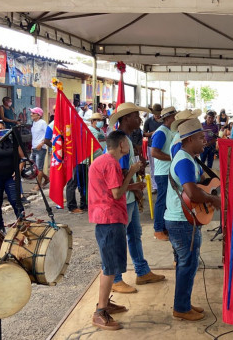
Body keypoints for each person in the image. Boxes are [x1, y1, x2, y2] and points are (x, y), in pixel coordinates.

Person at [165, 118, 221, 321]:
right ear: (188, 140)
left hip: (186, 219)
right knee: (187, 264)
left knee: (187, 263)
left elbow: (196, 188)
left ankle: (184, 303)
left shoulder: (187, 157)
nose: (204, 141)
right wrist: (213, 199)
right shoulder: (184, 160)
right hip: (181, 221)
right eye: (200, 137)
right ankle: (181, 307)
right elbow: (192, 193)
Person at [108, 103, 165, 293]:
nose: (139, 120)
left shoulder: (126, 139)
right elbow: (119, 174)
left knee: (134, 235)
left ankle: (142, 271)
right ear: (125, 119)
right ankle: (116, 279)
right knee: (121, 238)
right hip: (125, 197)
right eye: (135, 116)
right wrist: (133, 186)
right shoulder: (121, 141)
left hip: (129, 197)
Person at [88, 130, 141, 331]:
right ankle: (100, 312)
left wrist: (131, 183)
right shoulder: (111, 163)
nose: (129, 146)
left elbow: (112, 188)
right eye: (127, 143)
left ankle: (105, 304)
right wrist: (131, 172)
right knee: (109, 267)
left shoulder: (103, 161)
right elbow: (117, 192)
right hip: (109, 218)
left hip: (106, 217)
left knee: (109, 265)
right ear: (121, 145)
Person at [66, 113, 106, 214]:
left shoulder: (100, 131)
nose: (100, 122)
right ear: (92, 121)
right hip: (81, 160)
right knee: (74, 183)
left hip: (90, 162)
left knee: (85, 184)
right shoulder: (88, 131)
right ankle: (72, 206)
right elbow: (94, 147)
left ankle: (84, 204)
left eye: (101, 120)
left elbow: (102, 142)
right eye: (97, 120)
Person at [150, 106, 177, 241]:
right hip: (163, 172)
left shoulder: (169, 131)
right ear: (167, 118)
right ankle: (158, 229)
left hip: (168, 171)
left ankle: (164, 226)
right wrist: (173, 158)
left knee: (167, 200)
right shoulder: (161, 132)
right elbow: (154, 152)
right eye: (174, 117)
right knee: (161, 201)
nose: (176, 119)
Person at [0, 120, 24, 232]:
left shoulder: (12, 141)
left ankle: (22, 225)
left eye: (0, 128)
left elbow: (22, 159)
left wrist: (18, 170)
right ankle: (0, 228)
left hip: (10, 177)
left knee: (16, 201)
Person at [143, 104, 164, 193]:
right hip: (151, 146)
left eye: (158, 113)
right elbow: (144, 134)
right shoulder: (148, 121)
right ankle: (155, 186)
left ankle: (162, 185)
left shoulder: (164, 121)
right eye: (155, 114)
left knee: (162, 166)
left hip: (163, 146)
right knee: (153, 166)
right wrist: (153, 133)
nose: (157, 115)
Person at [29, 107, 50, 189]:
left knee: (39, 167)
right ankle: (46, 178)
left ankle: (39, 185)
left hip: (40, 148)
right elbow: (34, 136)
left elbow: (47, 135)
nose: (31, 114)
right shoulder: (34, 123)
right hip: (34, 147)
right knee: (34, 167)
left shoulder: (42, 123)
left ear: (38, 115)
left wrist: (41, 144)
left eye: (33, 113)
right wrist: (32, 146)